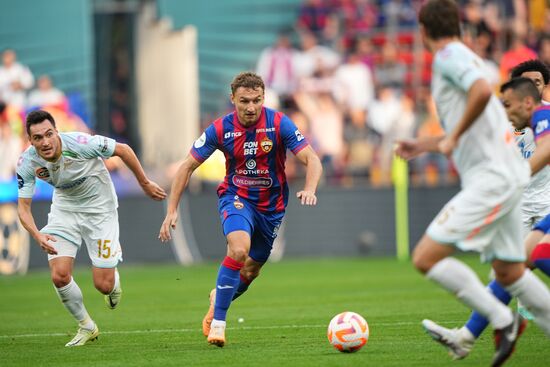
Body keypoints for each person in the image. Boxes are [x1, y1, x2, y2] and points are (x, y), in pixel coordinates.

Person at [396, 2, 550, 366]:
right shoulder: (467, 58)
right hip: (509, 179)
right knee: (510, 272)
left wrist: (450, 139)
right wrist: (428, 143)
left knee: (425, 257)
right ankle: (489, 326)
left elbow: (481, 92)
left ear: (422, 31)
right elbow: (480, 119)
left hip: (492, 180)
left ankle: (503, 320)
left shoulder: (449, 56)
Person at [158, 72, 322, 347]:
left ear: (263, 98)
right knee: (238, 250)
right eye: (244, 101)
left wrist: (310, 188)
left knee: (250, 271)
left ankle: (217, 298)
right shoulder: (220, 129)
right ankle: (219, 325)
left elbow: (312, 158)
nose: (250, 107)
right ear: (233, 98)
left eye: (256, 100)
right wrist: (172, 209)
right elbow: (186, 166)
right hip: (236, 198)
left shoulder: (279, 123)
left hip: (271, 207)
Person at [422, 71, 550, 360]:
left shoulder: (544, 115)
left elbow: (547, 149)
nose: (503, 109)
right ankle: (466, 337)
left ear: (527, 101)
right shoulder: (517, 124)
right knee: (512, 269)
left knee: (535, 257)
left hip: (542, 202)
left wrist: (516, 177)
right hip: (522, 205)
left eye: (507, 104)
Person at [16, 110, 166, 347]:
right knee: (59, 275)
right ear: (30, 141)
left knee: (103, 285)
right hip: (65, 210)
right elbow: (23, 208)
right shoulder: (27, 162)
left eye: (49, 134)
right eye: (38, 138)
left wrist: (145, 183)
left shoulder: (81, 143)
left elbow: (123, 150)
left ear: (57, 132)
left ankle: (113, 278)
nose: (45, 142)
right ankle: (86, 325)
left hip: (100, 211)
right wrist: (37, 234)